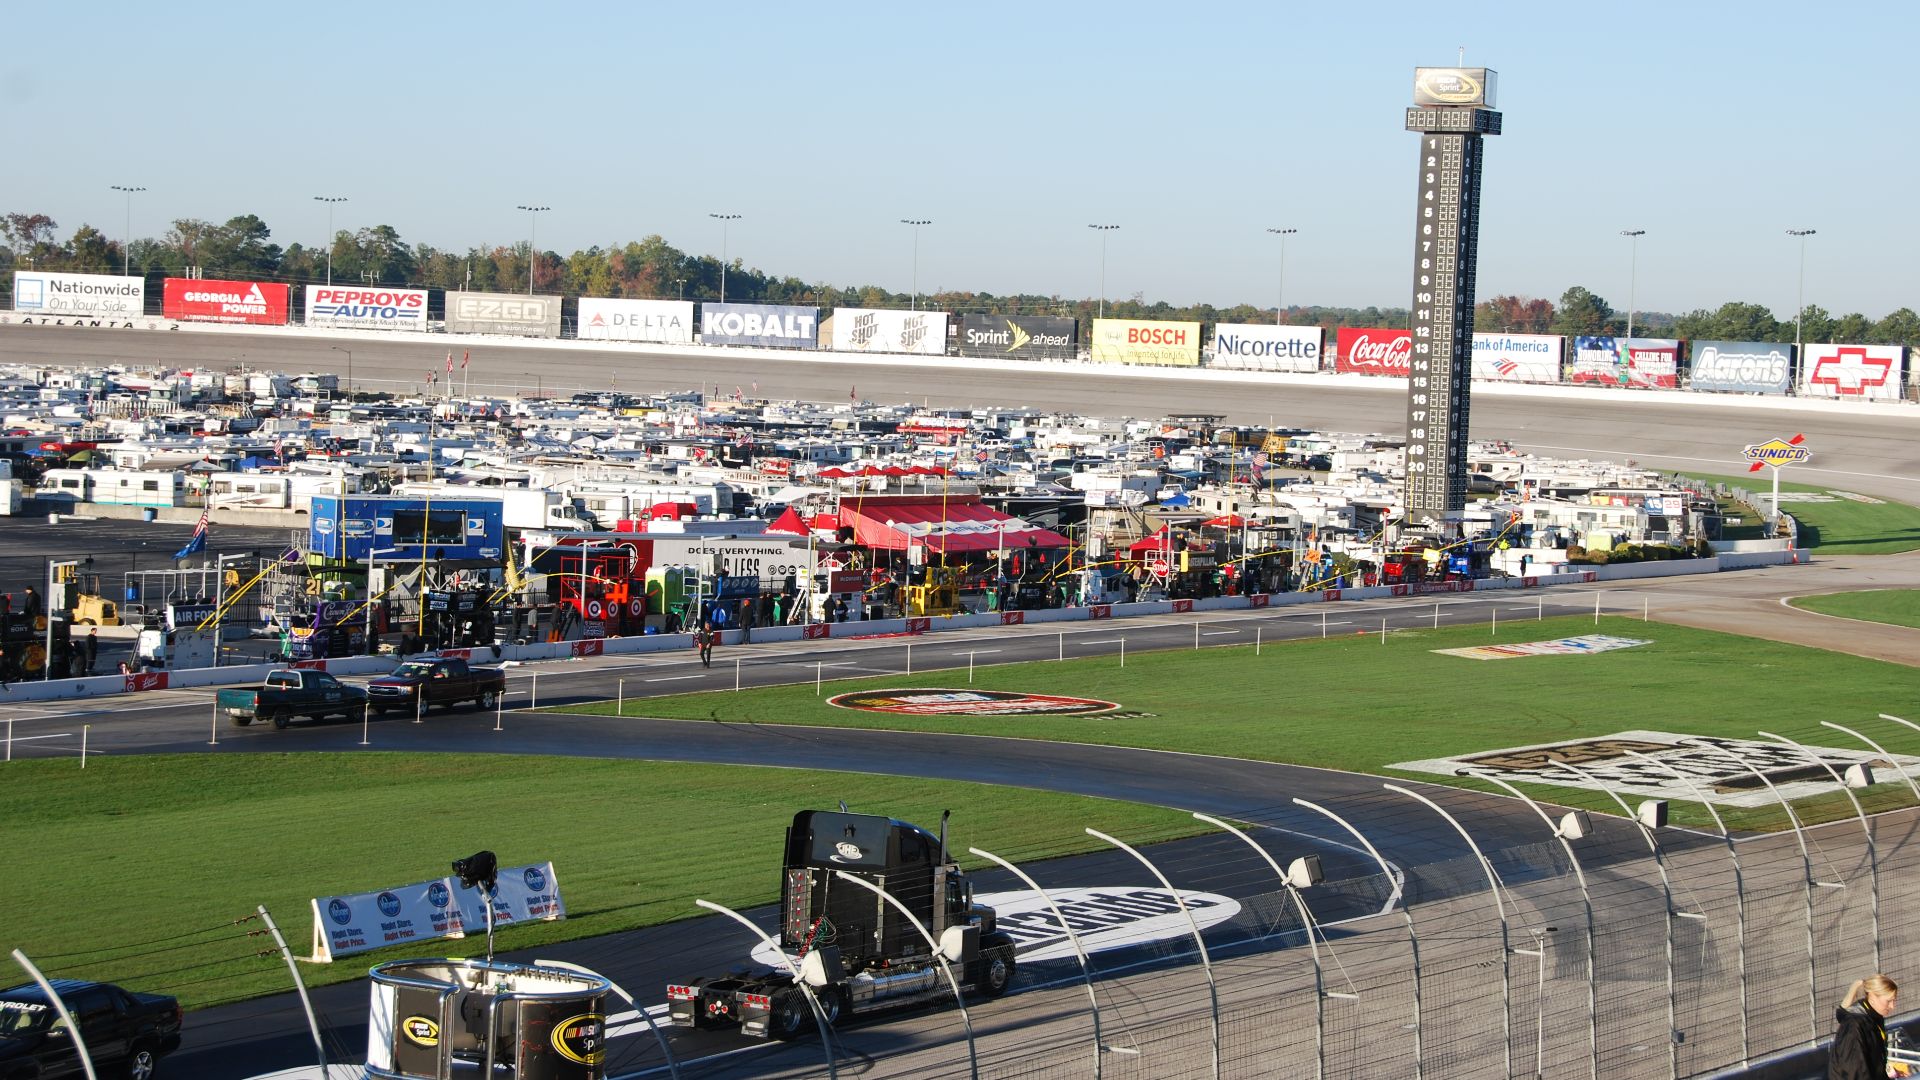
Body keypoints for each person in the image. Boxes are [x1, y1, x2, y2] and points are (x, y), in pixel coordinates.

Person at [1830, 973, 1898, 1080]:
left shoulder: (1874, 1017)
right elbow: (1854, 1071)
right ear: (1872, 996)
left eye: (1894, 1000)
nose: (1892, 1006)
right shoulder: (1854, 1026)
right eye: (1889, 1001)